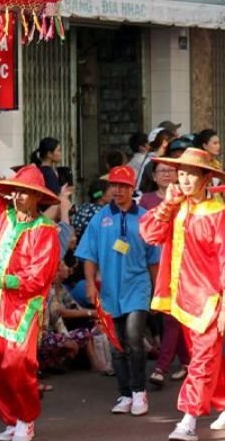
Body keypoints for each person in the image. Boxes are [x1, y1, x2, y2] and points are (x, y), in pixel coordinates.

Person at [140, 148, 225, 441]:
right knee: (208, 358)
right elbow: (149, 234)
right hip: (182, 298)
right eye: (181, 173)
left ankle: (188, 420)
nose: (185, 180)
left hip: (209, 300)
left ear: (207, 177)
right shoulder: (177, 206)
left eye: (192, 174)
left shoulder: (219, 213)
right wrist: (167, 205)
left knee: (200, 362)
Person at [0, 133, 62, 441]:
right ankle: (10, 419)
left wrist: (4, 281)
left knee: (18, 367)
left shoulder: (46, 230)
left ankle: (26, 419)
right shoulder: (2, 217)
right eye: (16, 192)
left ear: (38, 197)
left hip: (22, 308)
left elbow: (39, 276)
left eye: (25, 193)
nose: (18, 197)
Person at [76, 165, 158, 416]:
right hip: (110, 290)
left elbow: (154, 258)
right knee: (116, 344)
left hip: (138, 286)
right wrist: (90, 283)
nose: (118, 190)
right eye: (114, 185)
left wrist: (157, 292)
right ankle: (124, 395)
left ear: (132, 188)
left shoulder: (145, 217)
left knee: (134, 337)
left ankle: (138, 391)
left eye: (124, 186)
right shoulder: (100, 218)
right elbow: (88, 255)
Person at [138, 160, 189, 386]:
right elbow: (144, 231)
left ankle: (162, 366)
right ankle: (187, 361)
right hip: (155, 264)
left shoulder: (187, 198)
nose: (167, 174)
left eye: (171, 171)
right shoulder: (145, 201)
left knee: (172, 318)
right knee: (168, 316)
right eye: (162, 171)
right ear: (154, 176)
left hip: (182, 263)